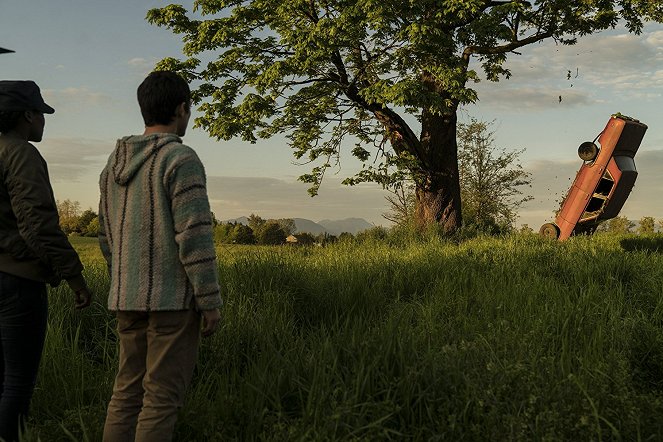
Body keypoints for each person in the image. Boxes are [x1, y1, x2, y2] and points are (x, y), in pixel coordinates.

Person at [99, 71, 222, 442]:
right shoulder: (181, 158)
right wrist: (210, 301)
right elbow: (195, 235)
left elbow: (106, 236)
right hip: (172, 301)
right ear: (181, 108)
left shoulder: (112, 166)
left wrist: (122, 279)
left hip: (126, 297)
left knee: (125, 394)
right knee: (161, 398)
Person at [0, 80, 92, 442]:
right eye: (41, 113)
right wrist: (75, 278)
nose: (43, 120)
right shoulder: (20, 153)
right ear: (26, 115)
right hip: (16, 283)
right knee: (17, 381)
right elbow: (38, 225)